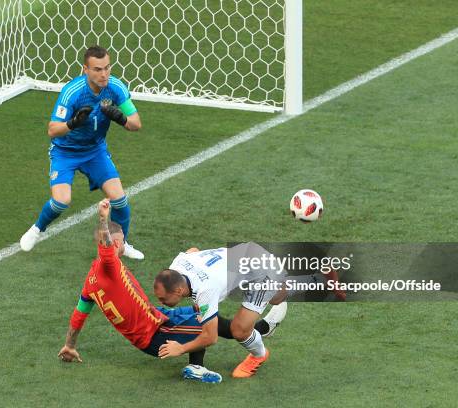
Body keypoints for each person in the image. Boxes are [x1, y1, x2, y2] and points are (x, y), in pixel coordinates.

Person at [57, 199, 222, 383]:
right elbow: (105, 248)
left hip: (155, 317)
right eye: (122, 241)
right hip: (153, 333)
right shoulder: (109, 266)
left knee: (200, 310)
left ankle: (207, 357)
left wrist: (69, 345)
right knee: (208, 324)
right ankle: (207, 361)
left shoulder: (91, 280)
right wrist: (103, 219)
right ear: (117, 243)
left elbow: (78, 315)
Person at [20, 45, 144, 260]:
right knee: (61, 201)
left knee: (119, 199)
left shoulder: (116, 88)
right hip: (65, 152)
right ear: (85, 69)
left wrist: (120, 117)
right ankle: (36, 230)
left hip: (95, 151)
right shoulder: (72, 92)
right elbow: (52, 130)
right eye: (97, 69)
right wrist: (73, 123)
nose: (104, 74)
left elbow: (136, 124)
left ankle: (122, 243)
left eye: (107, 68)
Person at [153, 243, 342, 378]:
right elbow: (193, 251)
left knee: (240, 329)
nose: (160, 301)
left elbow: (210, 337)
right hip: (247, 253)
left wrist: (181, 348)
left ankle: (259, 355)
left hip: (261, 271)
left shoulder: (205, 290)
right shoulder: (177, 266)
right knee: (277, 296)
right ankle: (322, 278)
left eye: (163, 298)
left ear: (178, 290)